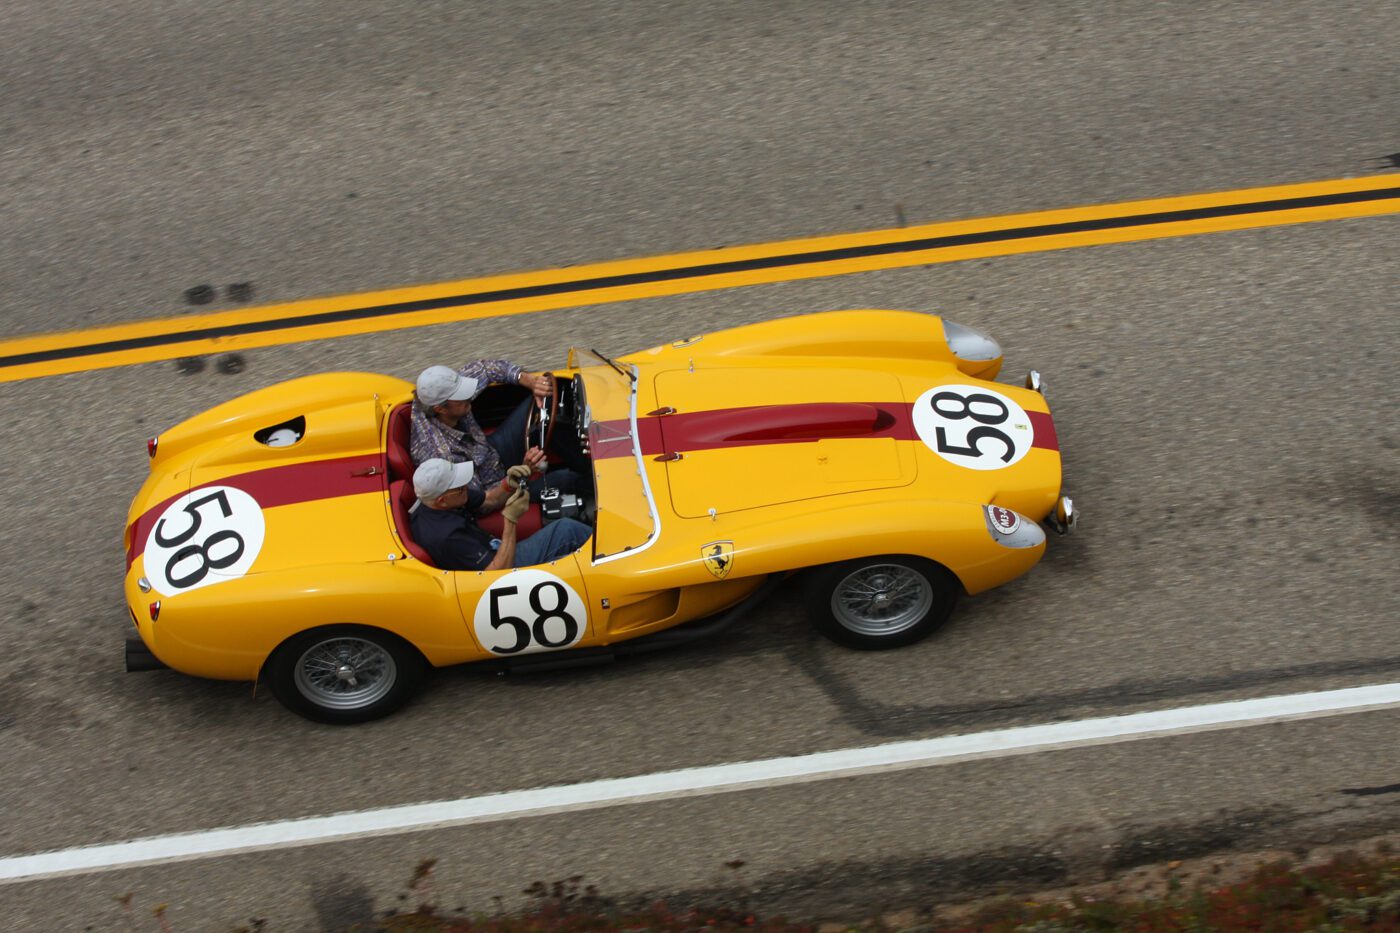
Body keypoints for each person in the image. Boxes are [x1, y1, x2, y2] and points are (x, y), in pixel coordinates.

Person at [409, 362, 589, 514]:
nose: (469, 396)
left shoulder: (437, 393)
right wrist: (524, 471)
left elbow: (486, 368)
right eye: (460, 396)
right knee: (566, 479)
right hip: (497, 488)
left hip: (488, 452)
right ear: (440, 409)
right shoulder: (444, 456)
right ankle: (593, 483)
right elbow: (485, 502)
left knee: (543, 405)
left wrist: (529, 381)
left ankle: (587, 462)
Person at [409, 458, 592, 571]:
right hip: (499, 567)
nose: (466, 486)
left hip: (493, 550)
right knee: (568, 533)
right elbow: (498, 573)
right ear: (441, 500)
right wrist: (511, 519)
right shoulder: (447, 536)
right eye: (459, 486)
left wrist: (509, 483)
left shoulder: (448, 497)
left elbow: (490, 500)